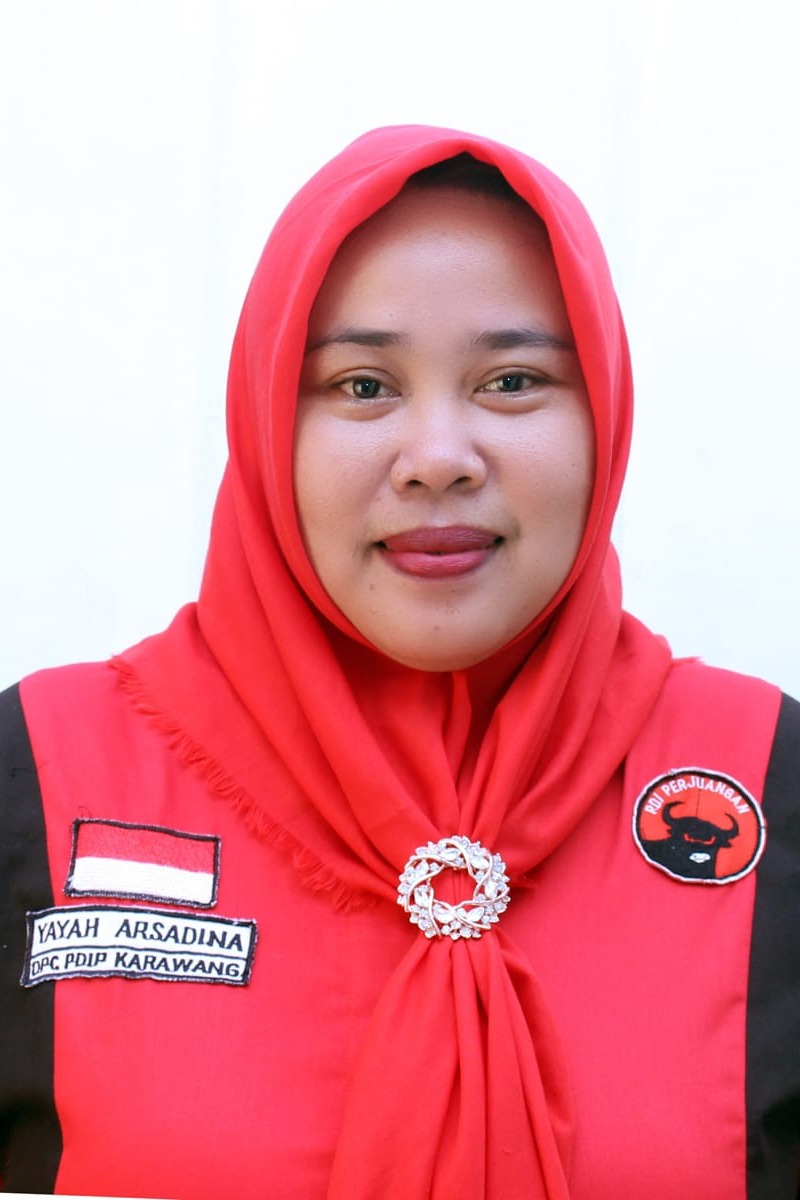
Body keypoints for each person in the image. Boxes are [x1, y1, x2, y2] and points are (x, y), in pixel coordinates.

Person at [0, 125, 798, 1200]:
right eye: (362, 385)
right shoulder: (44, 775)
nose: (436, 460)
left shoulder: (763, 778)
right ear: (265, 421)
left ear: (604, 417)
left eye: (512, 380)